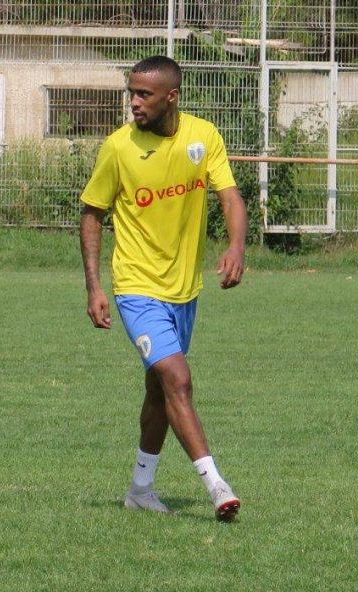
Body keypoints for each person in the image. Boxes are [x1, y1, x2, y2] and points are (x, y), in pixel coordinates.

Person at [79, 55, 247, 521]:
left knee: (159, 392)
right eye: (131, 93)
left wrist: (236, 246)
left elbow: (230, 196)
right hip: (135, 286)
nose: (134, 102)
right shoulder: (118, 148)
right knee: (178, 379)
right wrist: (95, 286)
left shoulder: (203, 136)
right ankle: (217, 485)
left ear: (171, 97)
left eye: (144, 94)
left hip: (184, 290)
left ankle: (140, 489)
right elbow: (92, 214)